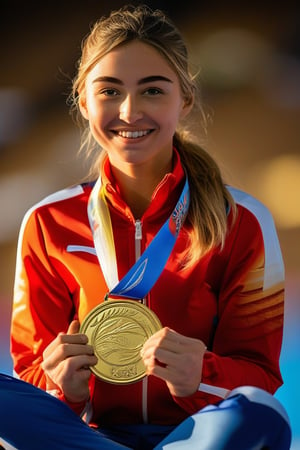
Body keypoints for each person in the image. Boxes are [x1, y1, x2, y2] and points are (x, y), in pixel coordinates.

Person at [0, 4, 291, 450]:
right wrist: (62, 386)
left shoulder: (242, 221)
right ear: (83, 102)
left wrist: (202, 374)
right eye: (110, 91)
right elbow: (31, 377)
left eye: (153, 91)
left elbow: (261, 375)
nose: (130, 111)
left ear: (185, 99)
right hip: (86, 434)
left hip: (195, 434)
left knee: (260, 411)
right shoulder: (47, 222)